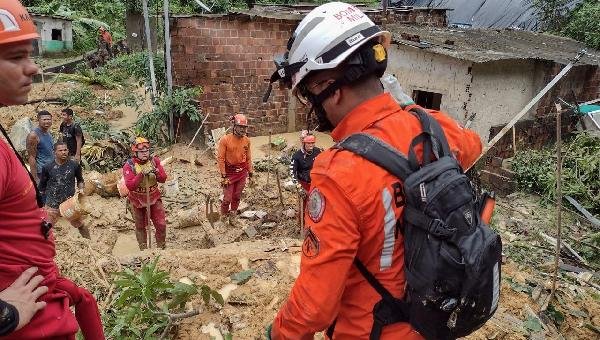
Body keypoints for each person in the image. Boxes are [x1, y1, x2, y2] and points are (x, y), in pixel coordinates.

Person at [264, 2, 483, 339]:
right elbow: (472, 146)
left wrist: (278, 332)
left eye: (309, 96)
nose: (312, 107)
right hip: (433, 325)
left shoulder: (338, 174)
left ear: (330, 90)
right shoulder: (433, 127)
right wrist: (406, 107)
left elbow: (314, 308)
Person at [0, 1, 105, 338]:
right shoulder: (35, 141)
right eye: (16, 58)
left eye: (30, 55)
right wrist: (5, 313)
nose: (32, 68)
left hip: (44, 303)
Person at [123, 137, 168, 249]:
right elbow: (130, 185)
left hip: (154, 197)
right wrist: (141, 174)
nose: (145, 154)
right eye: (141, 152)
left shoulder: (154, 161)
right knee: (140, 226)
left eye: (146, 151)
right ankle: (143, 250)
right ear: (135, 152)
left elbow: (163, 179)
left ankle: (161, 248)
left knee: (161, 224)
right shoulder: (129, 166)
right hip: (137, 200)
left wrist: (157, 172)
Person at [39, 141, 90, 239]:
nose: (64, 152)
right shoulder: (47, 167)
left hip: (69, 204)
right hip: (52, 204)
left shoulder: (74, 165)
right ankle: (44, 248)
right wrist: (41, 205)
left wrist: (81, 189)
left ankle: (89, 243)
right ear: (54, 152)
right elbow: (42, 188)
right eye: (60, 150)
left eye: (65, 150)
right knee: (46, 228)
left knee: (81, 225)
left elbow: (80, 180)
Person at [217, 114, 253, 226]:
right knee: (227, 198)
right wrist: (223, 175)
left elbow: (248, 158)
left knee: (237, 196)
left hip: (242, 172)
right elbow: (221, 158)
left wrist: (250, 172)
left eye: (244, 127)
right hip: (229, 173)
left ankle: (233, 217)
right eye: (240, 127)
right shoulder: (225, 140)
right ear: (234, 126)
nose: (243, 129)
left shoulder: (247, 140)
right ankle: (223, 218)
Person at [289, 132, 321, 198]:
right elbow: (292, 173)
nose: (311, 145)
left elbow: (322, 164)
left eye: (313, 143)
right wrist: (299, 187)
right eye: (308, 143)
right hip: (304, 184)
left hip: (316, 182)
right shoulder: (296, 156)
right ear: (303, 143)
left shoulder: (317, 151)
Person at [26, 110, 54, 184]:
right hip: (41, 172)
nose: (47, 121)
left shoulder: (48, 133)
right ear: (38, 120)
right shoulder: (33, 135)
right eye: (44, 119)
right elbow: (31, 157)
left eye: (49, 119)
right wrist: (35, 178)